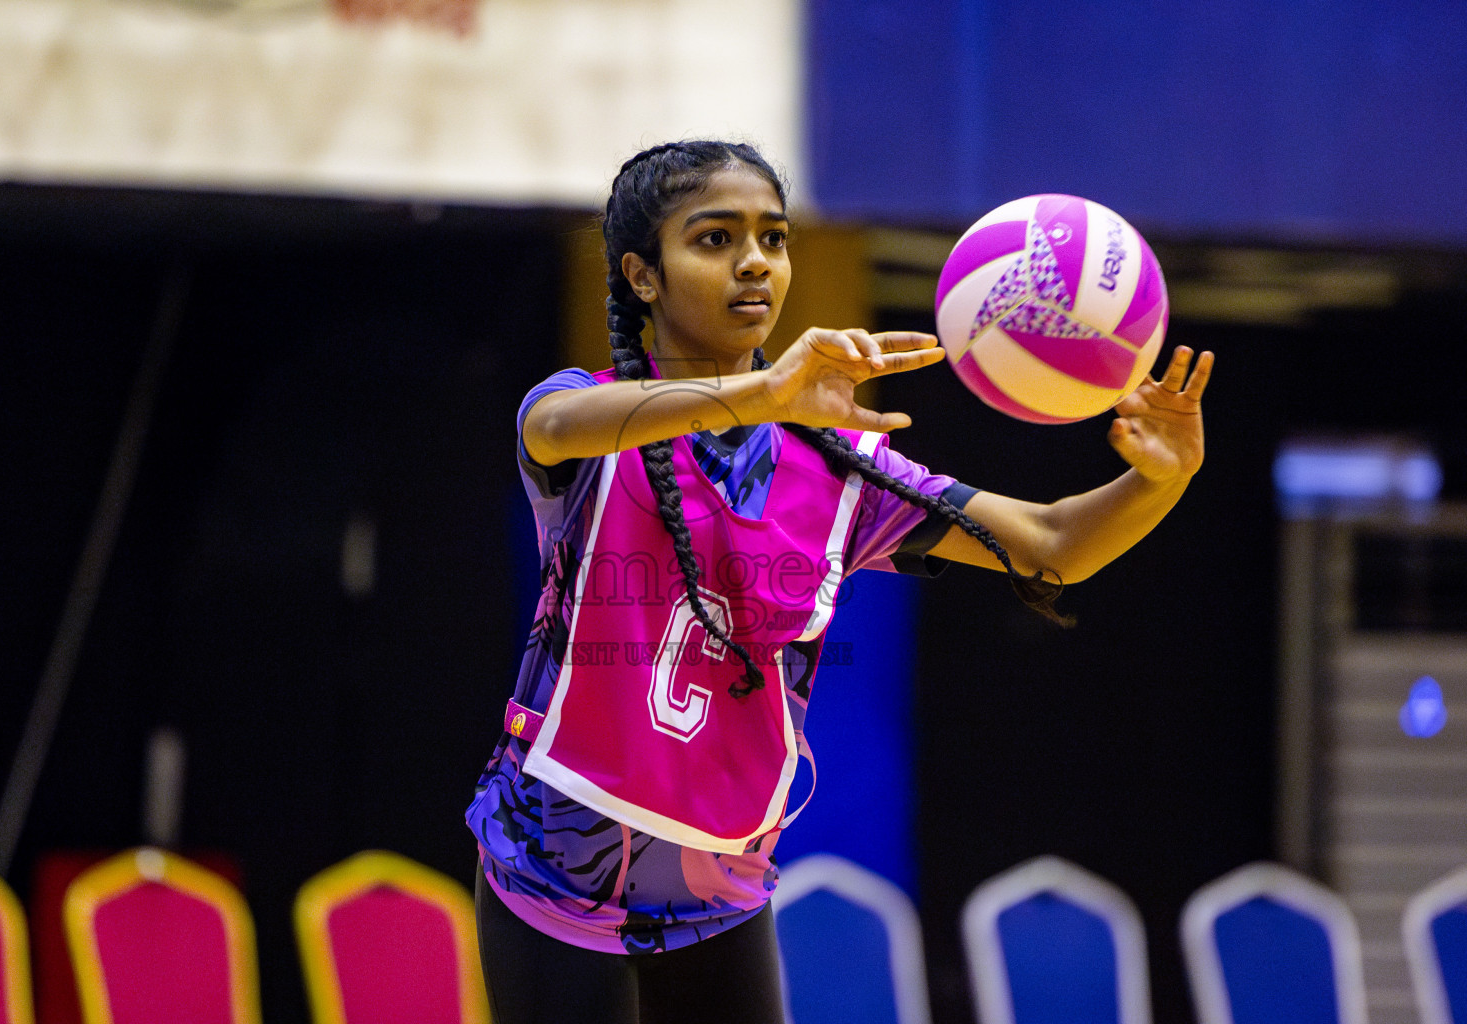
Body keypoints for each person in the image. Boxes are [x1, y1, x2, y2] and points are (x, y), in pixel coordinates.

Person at [464, 140, 1213, 1024]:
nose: (755, 261)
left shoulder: (841, 473)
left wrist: (1160, 479)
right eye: (714, 239)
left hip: (717, 889)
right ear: (643, 276)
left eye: (773, 239)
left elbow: (1052, 542)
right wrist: (766, 395)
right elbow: (552, 424)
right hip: (551, 869)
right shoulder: (590, 417)